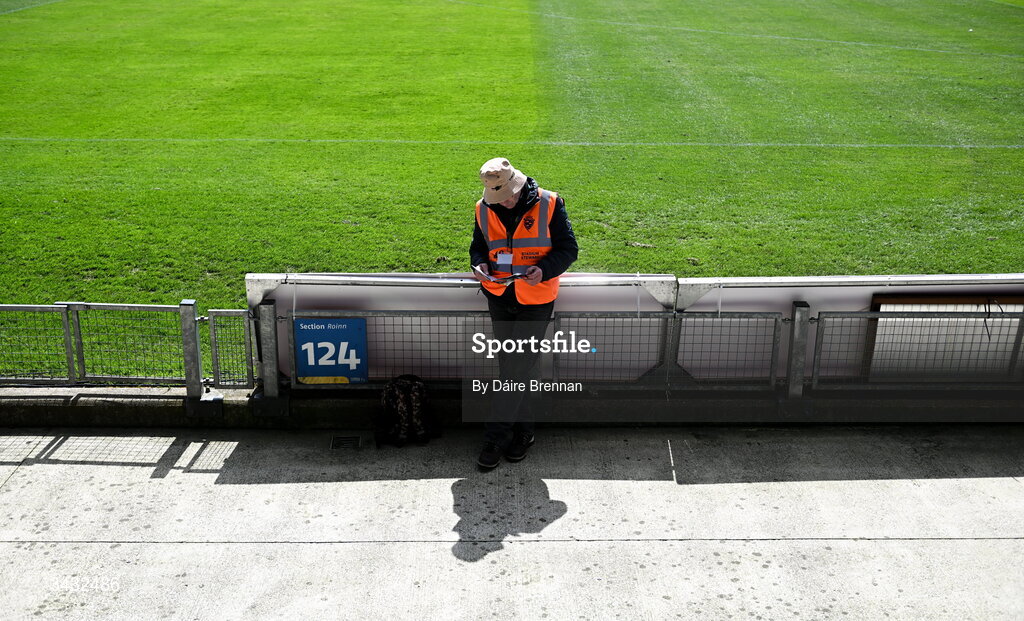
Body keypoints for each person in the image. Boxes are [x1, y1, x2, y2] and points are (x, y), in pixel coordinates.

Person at [470, 158, 578, 470]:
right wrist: (479, 266)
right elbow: (478, 247)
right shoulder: (483, 208)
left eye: (505, 195)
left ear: (517, 186)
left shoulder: (551, 203)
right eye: (495, 197)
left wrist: (543, 270)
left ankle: (495, 436)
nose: (501, 202)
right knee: (515, 368)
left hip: (536, 299)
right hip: (500, 296)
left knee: (515, 369)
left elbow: (568, 250)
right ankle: (525, 432)